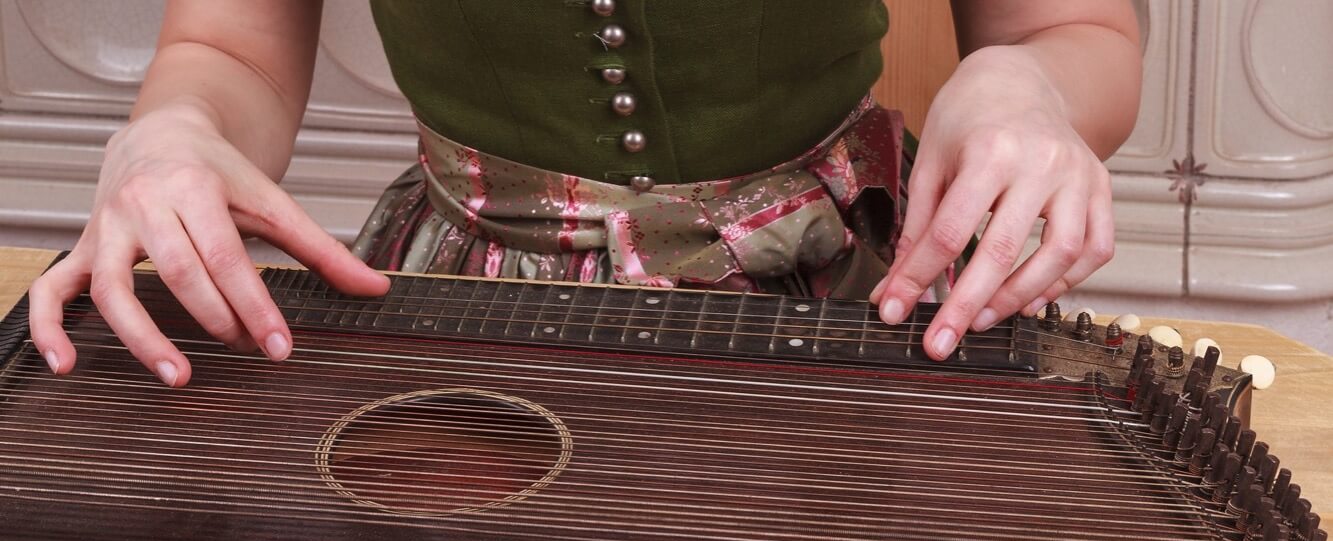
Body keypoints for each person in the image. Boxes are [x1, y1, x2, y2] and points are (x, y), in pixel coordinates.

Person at [27, 1, 1141, 387]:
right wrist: (170, 131)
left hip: (848, 300)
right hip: (469, 309)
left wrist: (1025, 81)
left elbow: (1073, 27)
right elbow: (232, 46)